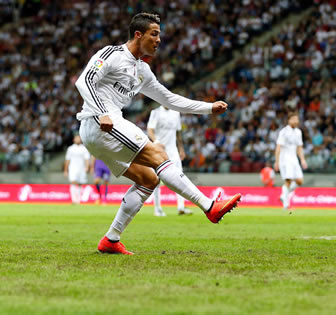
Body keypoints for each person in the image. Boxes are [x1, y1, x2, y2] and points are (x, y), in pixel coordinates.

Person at [75, 12, 241, 255]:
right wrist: (102, 113)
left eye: (159, 35)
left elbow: (170, 99)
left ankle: (111, 239)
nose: (159, 40)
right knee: (158, 152)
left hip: (105, 129)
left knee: (149, 180)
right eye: (155, 34)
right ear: (138, 34)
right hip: (98, 124)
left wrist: (208, 108)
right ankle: (209, 206)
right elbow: (84, 80)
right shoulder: (111, 54)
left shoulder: (143, 71)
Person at [147, 105, 192, 216]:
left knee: (180, 177)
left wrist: (181, 149)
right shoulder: (155, 112)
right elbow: (150, 130)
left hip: (173, 151)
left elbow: (178, 133)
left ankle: (181, 207)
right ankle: (157, 208)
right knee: (156, 180)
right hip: (159, 151)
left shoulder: (176, 113)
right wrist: (156, 142)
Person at [274, 111, 308, 210]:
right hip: (285, 159)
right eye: (294, 119)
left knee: (300, 181)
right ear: (289, 120)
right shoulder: (284, 132)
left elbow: (299, 148)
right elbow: (278, 147)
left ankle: (283, 196)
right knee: (288, 181)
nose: (296, 121)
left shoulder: (298, 132)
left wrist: (302, 160)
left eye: (297, 119)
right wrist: (277, 161)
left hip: (294, 159)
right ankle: (286, 205)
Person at [64, 135, 90, 205]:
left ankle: (78, 200)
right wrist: (66, 170)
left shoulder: (84, 148)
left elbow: (87, 159)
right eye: (76, 138)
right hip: (72, 168)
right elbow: (67, 160)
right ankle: (73, 199)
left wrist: (87, 167)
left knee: (79, 184)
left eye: (79, 138)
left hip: (81, 168)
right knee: (73, 182)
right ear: (73, 140)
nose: (78, 139)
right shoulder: (70, 149)